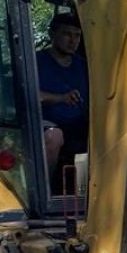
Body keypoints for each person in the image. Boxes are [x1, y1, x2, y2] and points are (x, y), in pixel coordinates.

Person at [36, 12, 89, 180]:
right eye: (67, 34)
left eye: (77, 36)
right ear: (52, 34)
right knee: (54, 136)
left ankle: (83, 192)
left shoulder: (83, 66)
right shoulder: (36, 62)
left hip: (77, 122)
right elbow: (30, 95)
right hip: (46, 122)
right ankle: (48, 187)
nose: (72, 41)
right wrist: (61, 98)